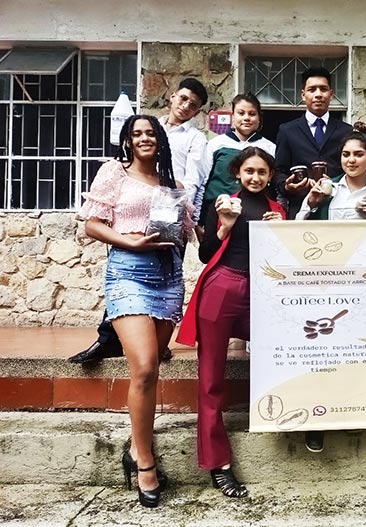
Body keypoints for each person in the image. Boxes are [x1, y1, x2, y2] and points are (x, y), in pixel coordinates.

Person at [79, 114, 188, 507]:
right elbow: (91, 224)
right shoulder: (114, 173)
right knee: (142, 367)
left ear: (160, 140)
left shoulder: (173, 184)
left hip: (169, 277)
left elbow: (187, 233)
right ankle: (144, 460)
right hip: (128, 274)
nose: (144, 138)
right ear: (127, 141)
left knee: (154, 363)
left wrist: (222, 221)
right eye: (136, 133)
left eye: (151, 133)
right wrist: (129, 242)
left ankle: (138, 442)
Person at [69, 77, 208, 364]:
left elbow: (195, 180)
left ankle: (156, 345)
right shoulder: (145, 129)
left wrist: (184, 212)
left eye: (193, 105)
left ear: (197, 112)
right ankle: (109, 340)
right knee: (128, 285)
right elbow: (93, 222)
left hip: (170, 217)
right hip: (132, 220)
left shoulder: (195, 138)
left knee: (163, 283)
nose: (185, 106)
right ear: (172, 97)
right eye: (183, 99)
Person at [177, 147, 285, 498]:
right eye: (249, 171)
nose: (255, 177)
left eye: (262, 172)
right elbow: (206, 253)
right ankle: (218, 464)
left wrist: (282, 234)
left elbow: (287, 261)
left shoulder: (278, 210)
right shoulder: (223, 203)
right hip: (222, 287)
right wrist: (224, 227)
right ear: (238, 173)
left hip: (261, 294)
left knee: (284, 355)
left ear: (270, 176)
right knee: (210, 380)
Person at [296, 122, 366, 453]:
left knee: (357, 350)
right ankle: (316, 421)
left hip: (365, 289)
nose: (351, 160)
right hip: (325, 286)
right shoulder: (328, 190)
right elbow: (297, 230)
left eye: (358, 154)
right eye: (345, 154)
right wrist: (310, 204)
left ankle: (354, 409)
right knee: (322, 353)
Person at [274, 66, 352, 219]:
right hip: (300, 207)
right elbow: (278, 171)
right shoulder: (287, 130)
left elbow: (351, 170)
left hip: (337, 208)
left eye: (323, 89)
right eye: (312, 90)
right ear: (303, 95)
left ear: (331, 94)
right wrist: (287, 186)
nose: (318, 94)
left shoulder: (346, 131)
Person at [198, 92, 276, 233]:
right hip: (217, 212)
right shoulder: (216, 144)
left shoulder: (269, 147)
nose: (246, 118)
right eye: (241, 113)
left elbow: (275, 184)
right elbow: (203, 181)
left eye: (252, 114)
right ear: (233, 116)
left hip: (256, 215)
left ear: (259, 118)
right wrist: (199, 219)